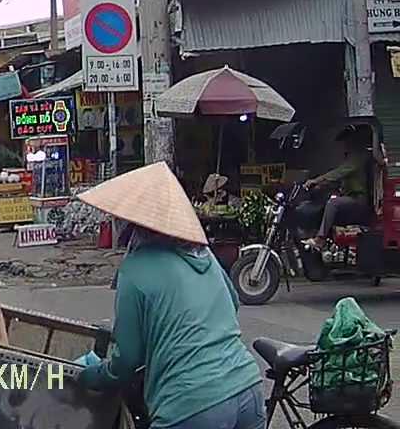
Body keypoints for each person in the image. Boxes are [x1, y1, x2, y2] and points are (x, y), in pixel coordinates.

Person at [76, 162, 264, 429]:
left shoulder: (135, 269)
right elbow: (232, 304)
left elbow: (126, 360)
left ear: (130, 226)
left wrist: (88, 377)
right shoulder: (203, 254)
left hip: (193, 404)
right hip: (247, 388)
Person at [305, 125, 378, 250]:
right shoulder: (350, 157)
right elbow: (339, 180)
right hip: (351, 197)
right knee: (326, 202)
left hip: (359, 200)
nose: (344, 145)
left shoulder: (358, 157)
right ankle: (330, 242)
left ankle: (320, 239)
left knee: (333, 204)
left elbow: (338, 173)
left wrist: (316, 180)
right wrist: (321, 185)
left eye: (346, 142)